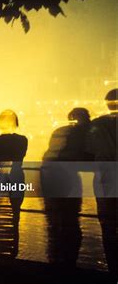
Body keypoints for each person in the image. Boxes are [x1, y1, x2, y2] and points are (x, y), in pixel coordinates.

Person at [41, 108, 91, 266]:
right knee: (71, 221)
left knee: (54, 222)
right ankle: (69, 262)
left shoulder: (60, 130)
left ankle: (54, 260)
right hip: (66, 177)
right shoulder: (82, 134)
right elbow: (86, 159)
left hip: (47, 175)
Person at [86, 89, 117, 274]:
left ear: (106, 103)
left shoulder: (97, 124)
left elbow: (88, 152)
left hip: (105, 177)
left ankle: (113, 267)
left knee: (107, 225)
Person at [0, 110, 28, 257]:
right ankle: (14, 251)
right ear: (15, 122)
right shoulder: (22, 140)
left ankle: (0, 251)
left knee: (0, 216)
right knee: (15, 215)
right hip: (16, 176)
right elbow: (21, 155)